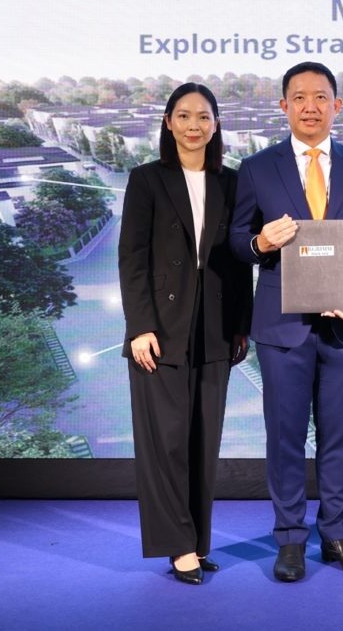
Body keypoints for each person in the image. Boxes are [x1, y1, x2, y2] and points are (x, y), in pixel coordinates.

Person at [229, 61, 343, 582]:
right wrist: (260, 242)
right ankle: (290, 539)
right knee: (285, 437)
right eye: (299, 97)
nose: (310, 107)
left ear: (337, 106)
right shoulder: (257, 167)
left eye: (321, 97)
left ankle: (336, 533)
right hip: (281, 327)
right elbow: (236, 241)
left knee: (339, 436)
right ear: (284, 106)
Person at [120, 82, 252, 585]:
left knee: (203, 439)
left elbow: (240, 263)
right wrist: (140, 327)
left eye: (203, 116)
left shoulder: (232, 182)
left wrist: (241, 325)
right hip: (160, 328)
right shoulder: (146, 179)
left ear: (216, 125)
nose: (194, 125)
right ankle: (178, 546)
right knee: (166, 442)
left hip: (216, 327)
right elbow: (132, 258)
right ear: (168, 122)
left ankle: (196, 542)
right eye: (184, 115)